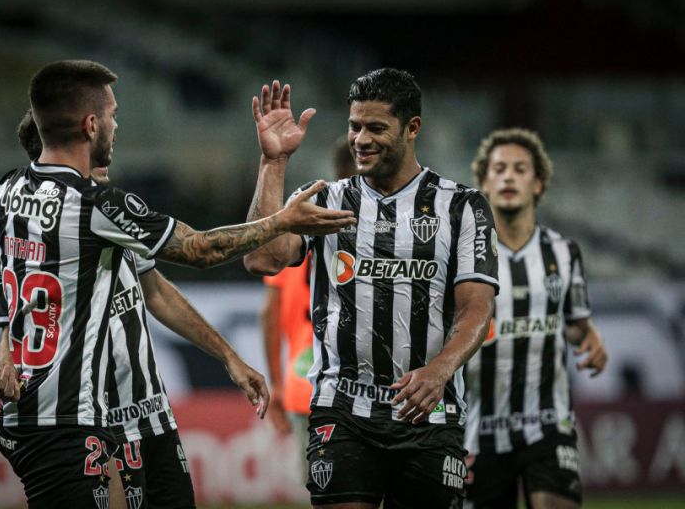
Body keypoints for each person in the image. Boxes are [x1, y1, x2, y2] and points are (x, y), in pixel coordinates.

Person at [0, 59, 356, 508]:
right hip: (65, 415)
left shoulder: (3, 195)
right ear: (91, 125)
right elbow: (200, 249)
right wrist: (282, 220)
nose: (116, 125)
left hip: (108, 410)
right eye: (112, 114)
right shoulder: (96, 206)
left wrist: (228, 355)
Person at [243, 69, 498, 508]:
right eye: (354, 126)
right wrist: (273, 164)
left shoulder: (461, 206)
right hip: (342, 408)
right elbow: (261, 258)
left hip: (429, 411)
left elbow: (477, 307)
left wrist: (440, 370)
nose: (361, 139)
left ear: (412, 128)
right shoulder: (323, 200)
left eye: (376, 127)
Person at [463, 128, 608, 509]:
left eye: (520, 169)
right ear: (483, 183)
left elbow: (575, 322)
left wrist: (589, 336)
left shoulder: (564, 252)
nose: (509, 176)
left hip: (548, 422)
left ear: (539, 183)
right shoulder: (462, 257)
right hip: (479, 430)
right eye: (499, 168)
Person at [260, 136, 357, 480]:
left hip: (308, 378)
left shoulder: (305, 232)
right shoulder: (377, 234)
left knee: (328, 492)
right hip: (355, 383)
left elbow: (269, 314)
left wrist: (276, 384)